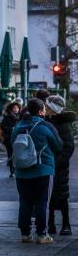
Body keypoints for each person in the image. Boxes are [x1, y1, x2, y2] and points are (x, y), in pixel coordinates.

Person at [10, 98, 62, 244]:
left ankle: (25, 234)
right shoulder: (45, 126)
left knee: (25, 201)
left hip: (21, 171)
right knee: (42, 202)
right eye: (44, 109)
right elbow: (58, 145)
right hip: (42, 170)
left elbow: (12, 144)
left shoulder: (19, 126)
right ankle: (41, 234)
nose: (45, 112)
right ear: (40, 111)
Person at [45, 95, 74, 235]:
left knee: (62, 195)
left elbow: (68, 147)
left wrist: (57, 162)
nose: (45, 108)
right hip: (48, 163)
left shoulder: (63, 123)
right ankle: (50, 224)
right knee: (48, 196)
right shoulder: (46, 121)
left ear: (52, 108)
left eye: (47, 106)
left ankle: (66, 224)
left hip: (59, 166)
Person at [0, 99, 23, 178]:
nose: (16, 109)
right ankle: (12, 171)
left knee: (18, 155)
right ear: (11, 109)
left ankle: (17, 170)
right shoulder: (7, 117)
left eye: (17, 108)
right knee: (10, 155)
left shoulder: (21, 117)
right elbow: (3, 127)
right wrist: (11, 129)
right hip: (9, 139)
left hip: (19, 139)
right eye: (14, 108)